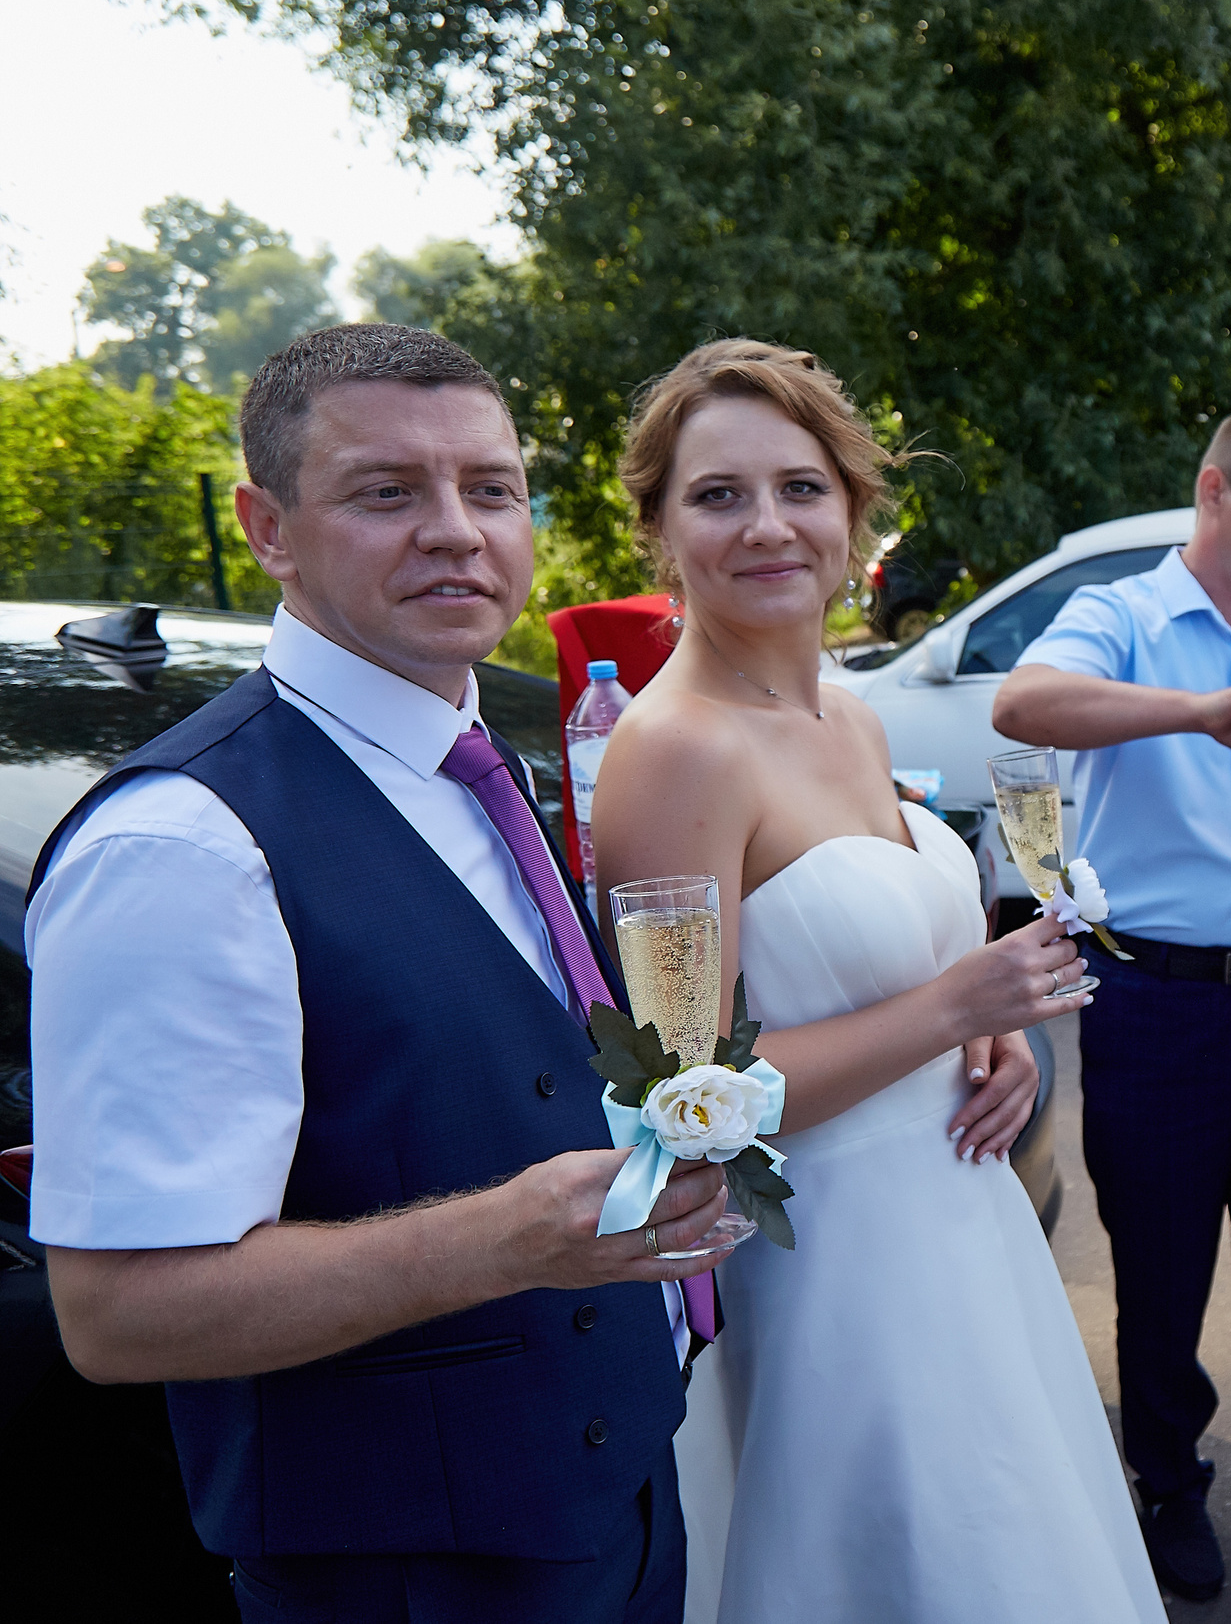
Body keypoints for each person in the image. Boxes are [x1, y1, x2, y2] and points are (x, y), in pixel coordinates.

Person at [25, 323, 730, 1623]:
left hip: (619, 1504)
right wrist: (506, 1238)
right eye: (387, 491)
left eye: (492, 488)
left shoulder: (488, 765)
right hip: (410, 1575)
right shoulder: (180, 845)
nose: (456, 530)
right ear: (269, 529)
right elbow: (119, 1312)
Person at [587, 340, 1165, 1624]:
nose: (768, 525)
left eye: (801, 487)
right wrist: (961, 1008)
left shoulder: (850, 714)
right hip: (836, 1272)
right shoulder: (673, 754)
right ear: (659, 531)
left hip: (965, 1230)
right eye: (718, 495)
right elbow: (686, 1104)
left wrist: (990, 1042)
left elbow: (901, 963)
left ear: (853, 512)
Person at [992, 409, 1231, 1624]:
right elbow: (1023, 706)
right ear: (1215, 490)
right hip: (1154, 1000)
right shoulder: (1123, 616)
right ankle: (1166, 1488)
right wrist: (1201, 708)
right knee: (1159, 1275)